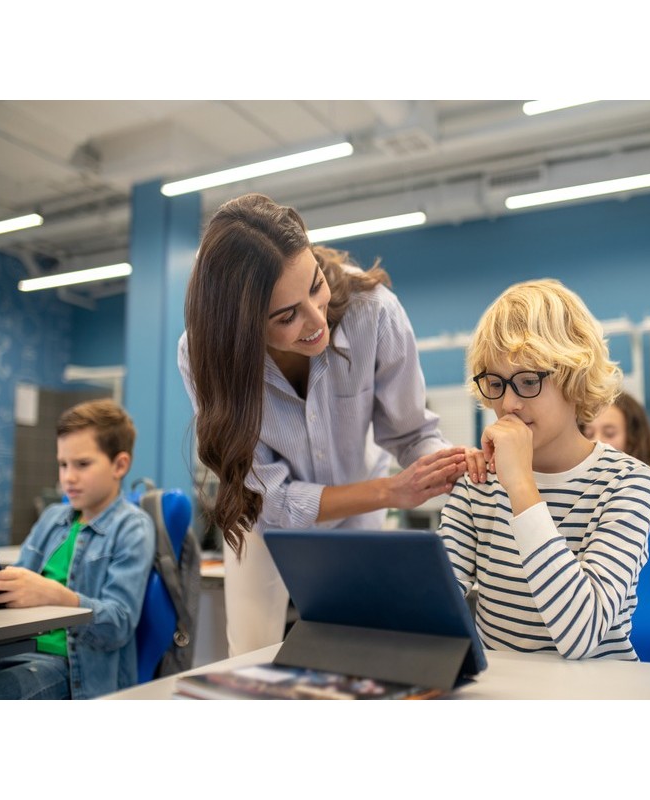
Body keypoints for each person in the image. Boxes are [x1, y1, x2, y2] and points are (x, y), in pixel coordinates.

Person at [178, 193, 486, 653]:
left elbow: (412, 434)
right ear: (242, 327)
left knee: (360, 648)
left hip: (358, 515)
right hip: (265, 522)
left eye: (315, 286)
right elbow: (270, 499)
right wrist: (389, 491)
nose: (316, 319)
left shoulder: (374, 311)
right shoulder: (203, 356)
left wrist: (455, 469)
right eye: (287, 316)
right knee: (250, 651)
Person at [438, 278, 650, 660]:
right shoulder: (478, 482)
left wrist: (521, 484)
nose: (508, 403)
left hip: (594, 695)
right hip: (504, 694)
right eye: (495, 382)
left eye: (527, 381)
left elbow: (581, 632)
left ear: (575, 382)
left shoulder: (628, 482)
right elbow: (432, 606)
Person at [0, 399, 155, 699]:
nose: (68, 477)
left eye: (82, 464)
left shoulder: (132, 527)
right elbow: (16, 585)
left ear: (119, 465)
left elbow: (119, 624)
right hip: (18, 651)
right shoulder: (52, 518)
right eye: (63, 464)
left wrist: (56, 595)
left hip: (72, 668)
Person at [581, 391, 650, 491]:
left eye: (610, 434)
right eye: (589, 434)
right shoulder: (583, 472)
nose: (597, 441)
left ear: (633, 436)